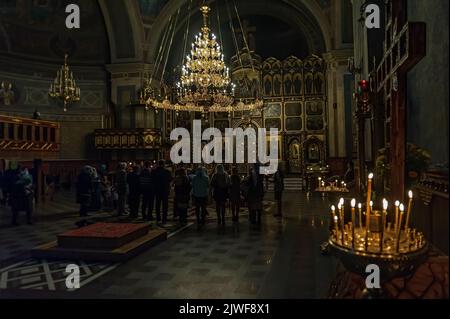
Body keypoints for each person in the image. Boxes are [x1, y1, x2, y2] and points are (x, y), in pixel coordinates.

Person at [152, 160, 172, 224]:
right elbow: (170, 179)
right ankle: (164, 219)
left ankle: (158, 218)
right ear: (163, 164)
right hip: (165, 190)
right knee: (165, 206)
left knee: (157, 205)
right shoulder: (167, 172)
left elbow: (152, 180)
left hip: (157, 190)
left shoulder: (154, 171)